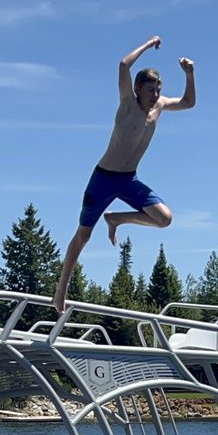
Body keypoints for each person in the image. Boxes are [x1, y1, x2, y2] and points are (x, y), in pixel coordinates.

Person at [53, 35, 196, 312]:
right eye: (150, 90)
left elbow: (189, 102)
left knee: (164, 218)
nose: (155, 95)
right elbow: (123, 65)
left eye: (158, 89)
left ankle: (116, 218)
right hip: (104, 178)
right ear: (137, 89)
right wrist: (149, 43)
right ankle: (60, 291)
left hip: (128, 179)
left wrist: (189, 74)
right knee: (83, 236)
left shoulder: (160, 107)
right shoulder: (128, 103)